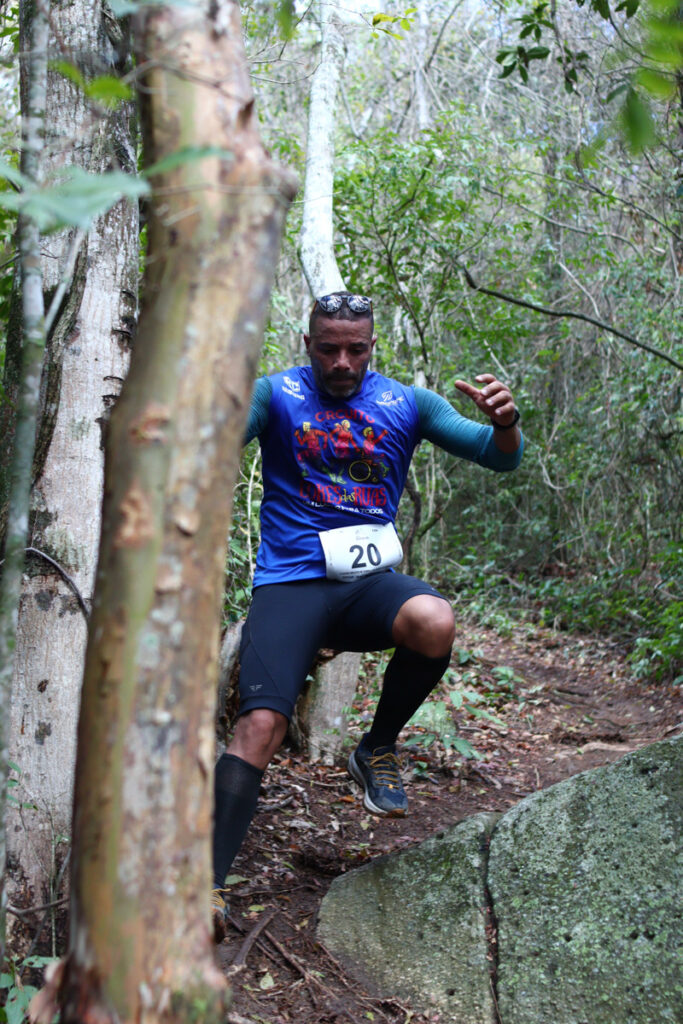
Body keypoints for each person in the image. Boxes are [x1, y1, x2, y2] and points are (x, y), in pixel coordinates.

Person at [212, 291, 523, 926]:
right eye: (329, 349)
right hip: (291, 586)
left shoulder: (408, 403)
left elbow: (499, 457)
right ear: (308, 344)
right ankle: (204, 887)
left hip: (365, 586)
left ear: (373, 346)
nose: (342, 362)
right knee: (260, 728)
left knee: (434, 620)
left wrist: (505, 421)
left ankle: (375, 749)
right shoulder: (277, 395)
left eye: (356, 349)